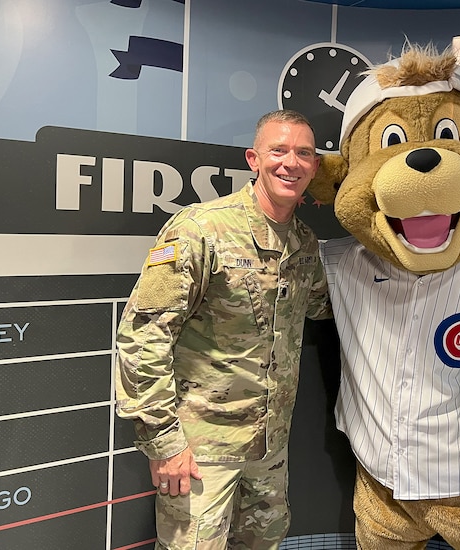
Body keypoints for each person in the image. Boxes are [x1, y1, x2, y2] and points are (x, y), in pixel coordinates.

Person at [115, 109, 332, 550]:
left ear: (315, 167)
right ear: (254, 159)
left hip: (269, 450)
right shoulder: (201, 228)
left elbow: (325, 308)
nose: (290, 163)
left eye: (304, 153)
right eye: (279, 150)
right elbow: (142, 336)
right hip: (201, 450)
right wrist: (164, 442)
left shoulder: (304, 243)